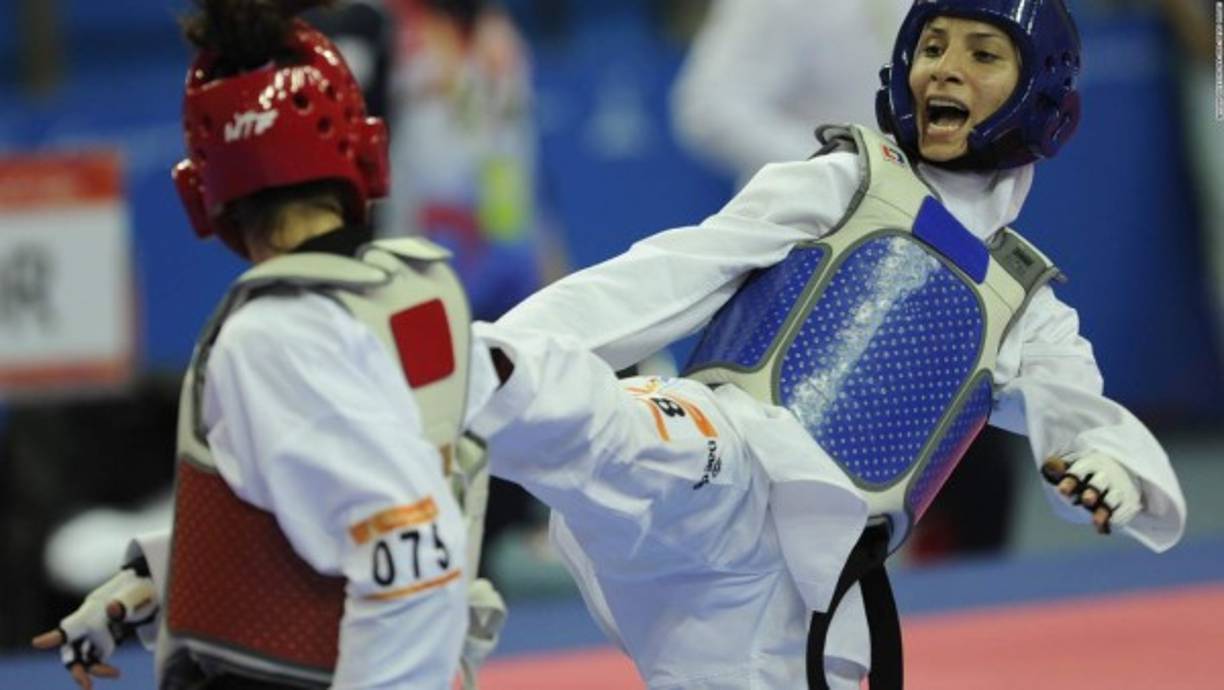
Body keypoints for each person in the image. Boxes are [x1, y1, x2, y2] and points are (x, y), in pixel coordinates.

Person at [473, 0, 1186, 687]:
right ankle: (458, 379)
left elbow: (1082, 426)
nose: (944, 69)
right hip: (726, 465)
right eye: (932, 47)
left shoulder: (1023, 305)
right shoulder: (846, 183)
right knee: (618, 430)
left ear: (1041, 91)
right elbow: (672, 272)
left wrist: (1107, 473)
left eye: (983, 54)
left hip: (799, 591)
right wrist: (512, 345)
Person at [32, 1, 505, 688]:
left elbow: (411, 543)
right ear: (366, 143)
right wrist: (147, 584)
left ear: (202, 191)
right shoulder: (412, 298)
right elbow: (308, 534)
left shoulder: (270, 338)